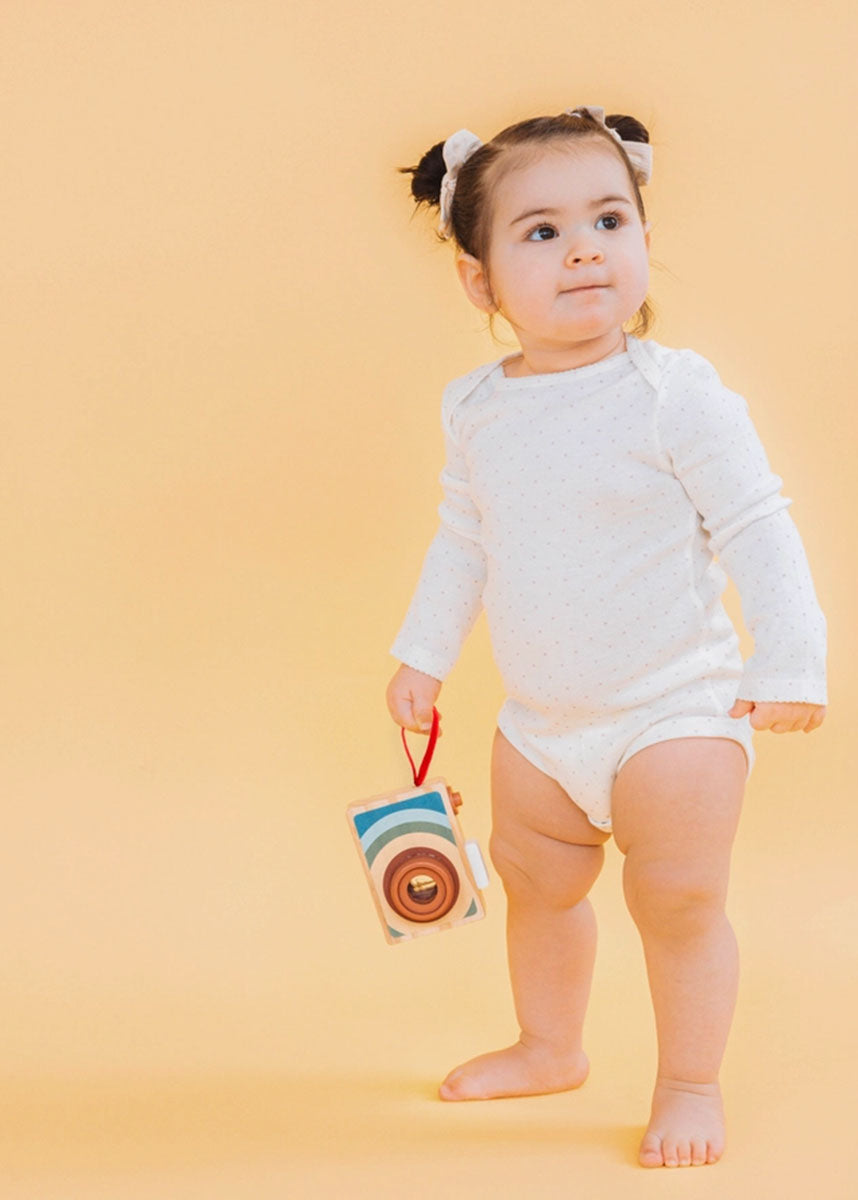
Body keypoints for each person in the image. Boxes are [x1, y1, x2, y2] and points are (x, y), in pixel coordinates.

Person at [384, 106, 827, 1169]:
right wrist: (423, 652)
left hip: (675, 707)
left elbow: (759, 524)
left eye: (609, 219)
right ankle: (550, 1045)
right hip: (540, 721)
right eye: (540, 232)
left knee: (675, 900)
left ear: (637, 235)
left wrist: (790, 658)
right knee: (536, 884)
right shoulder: (479, 408)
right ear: (480, 281)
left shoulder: (676, 396)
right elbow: (464, 538)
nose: (585, 246)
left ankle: (688, 1081)